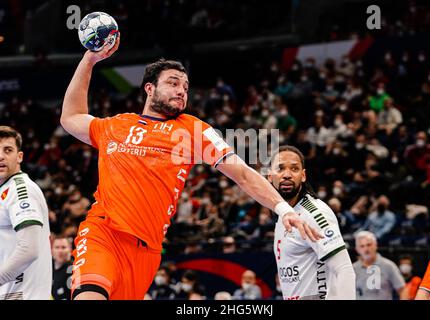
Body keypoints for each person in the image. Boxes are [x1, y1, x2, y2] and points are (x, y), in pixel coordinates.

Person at [61, 33, 322, 300]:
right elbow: (71, 117)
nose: (181, 91)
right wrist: (89, 60)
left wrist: (282, 208)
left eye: (185, 87)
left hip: (148, 251)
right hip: (103, 233)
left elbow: (242, 173)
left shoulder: (192, 129)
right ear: (149, 88)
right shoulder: (115, 125)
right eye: (173, 83)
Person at [269, 145, 356, 300]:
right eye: (280, 169)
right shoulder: (284, 213)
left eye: (294, 169)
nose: (287, 175)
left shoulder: (315, 213)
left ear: (303, 176)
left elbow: (345, 270)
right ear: (270, 176)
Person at [0, 126, 52, 300]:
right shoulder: (6, 189)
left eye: (8, 150)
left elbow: (29, 249)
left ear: (19, 157)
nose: (1, 156)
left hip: (24, 295)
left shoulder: (20, 189)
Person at [353, 231, 406, 300]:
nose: (366, 249)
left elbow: (402, 289)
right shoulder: (353, 268)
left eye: (369, 245)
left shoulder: (388, 266)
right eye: (362, 246)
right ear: (357, 249)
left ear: (375, 245)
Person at [51, 235, 73, 300]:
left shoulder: (73, 269)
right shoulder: (48, 269)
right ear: (51, 250)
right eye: (57, 247)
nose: (60, 251)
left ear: (70, 249)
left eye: (63, 247)